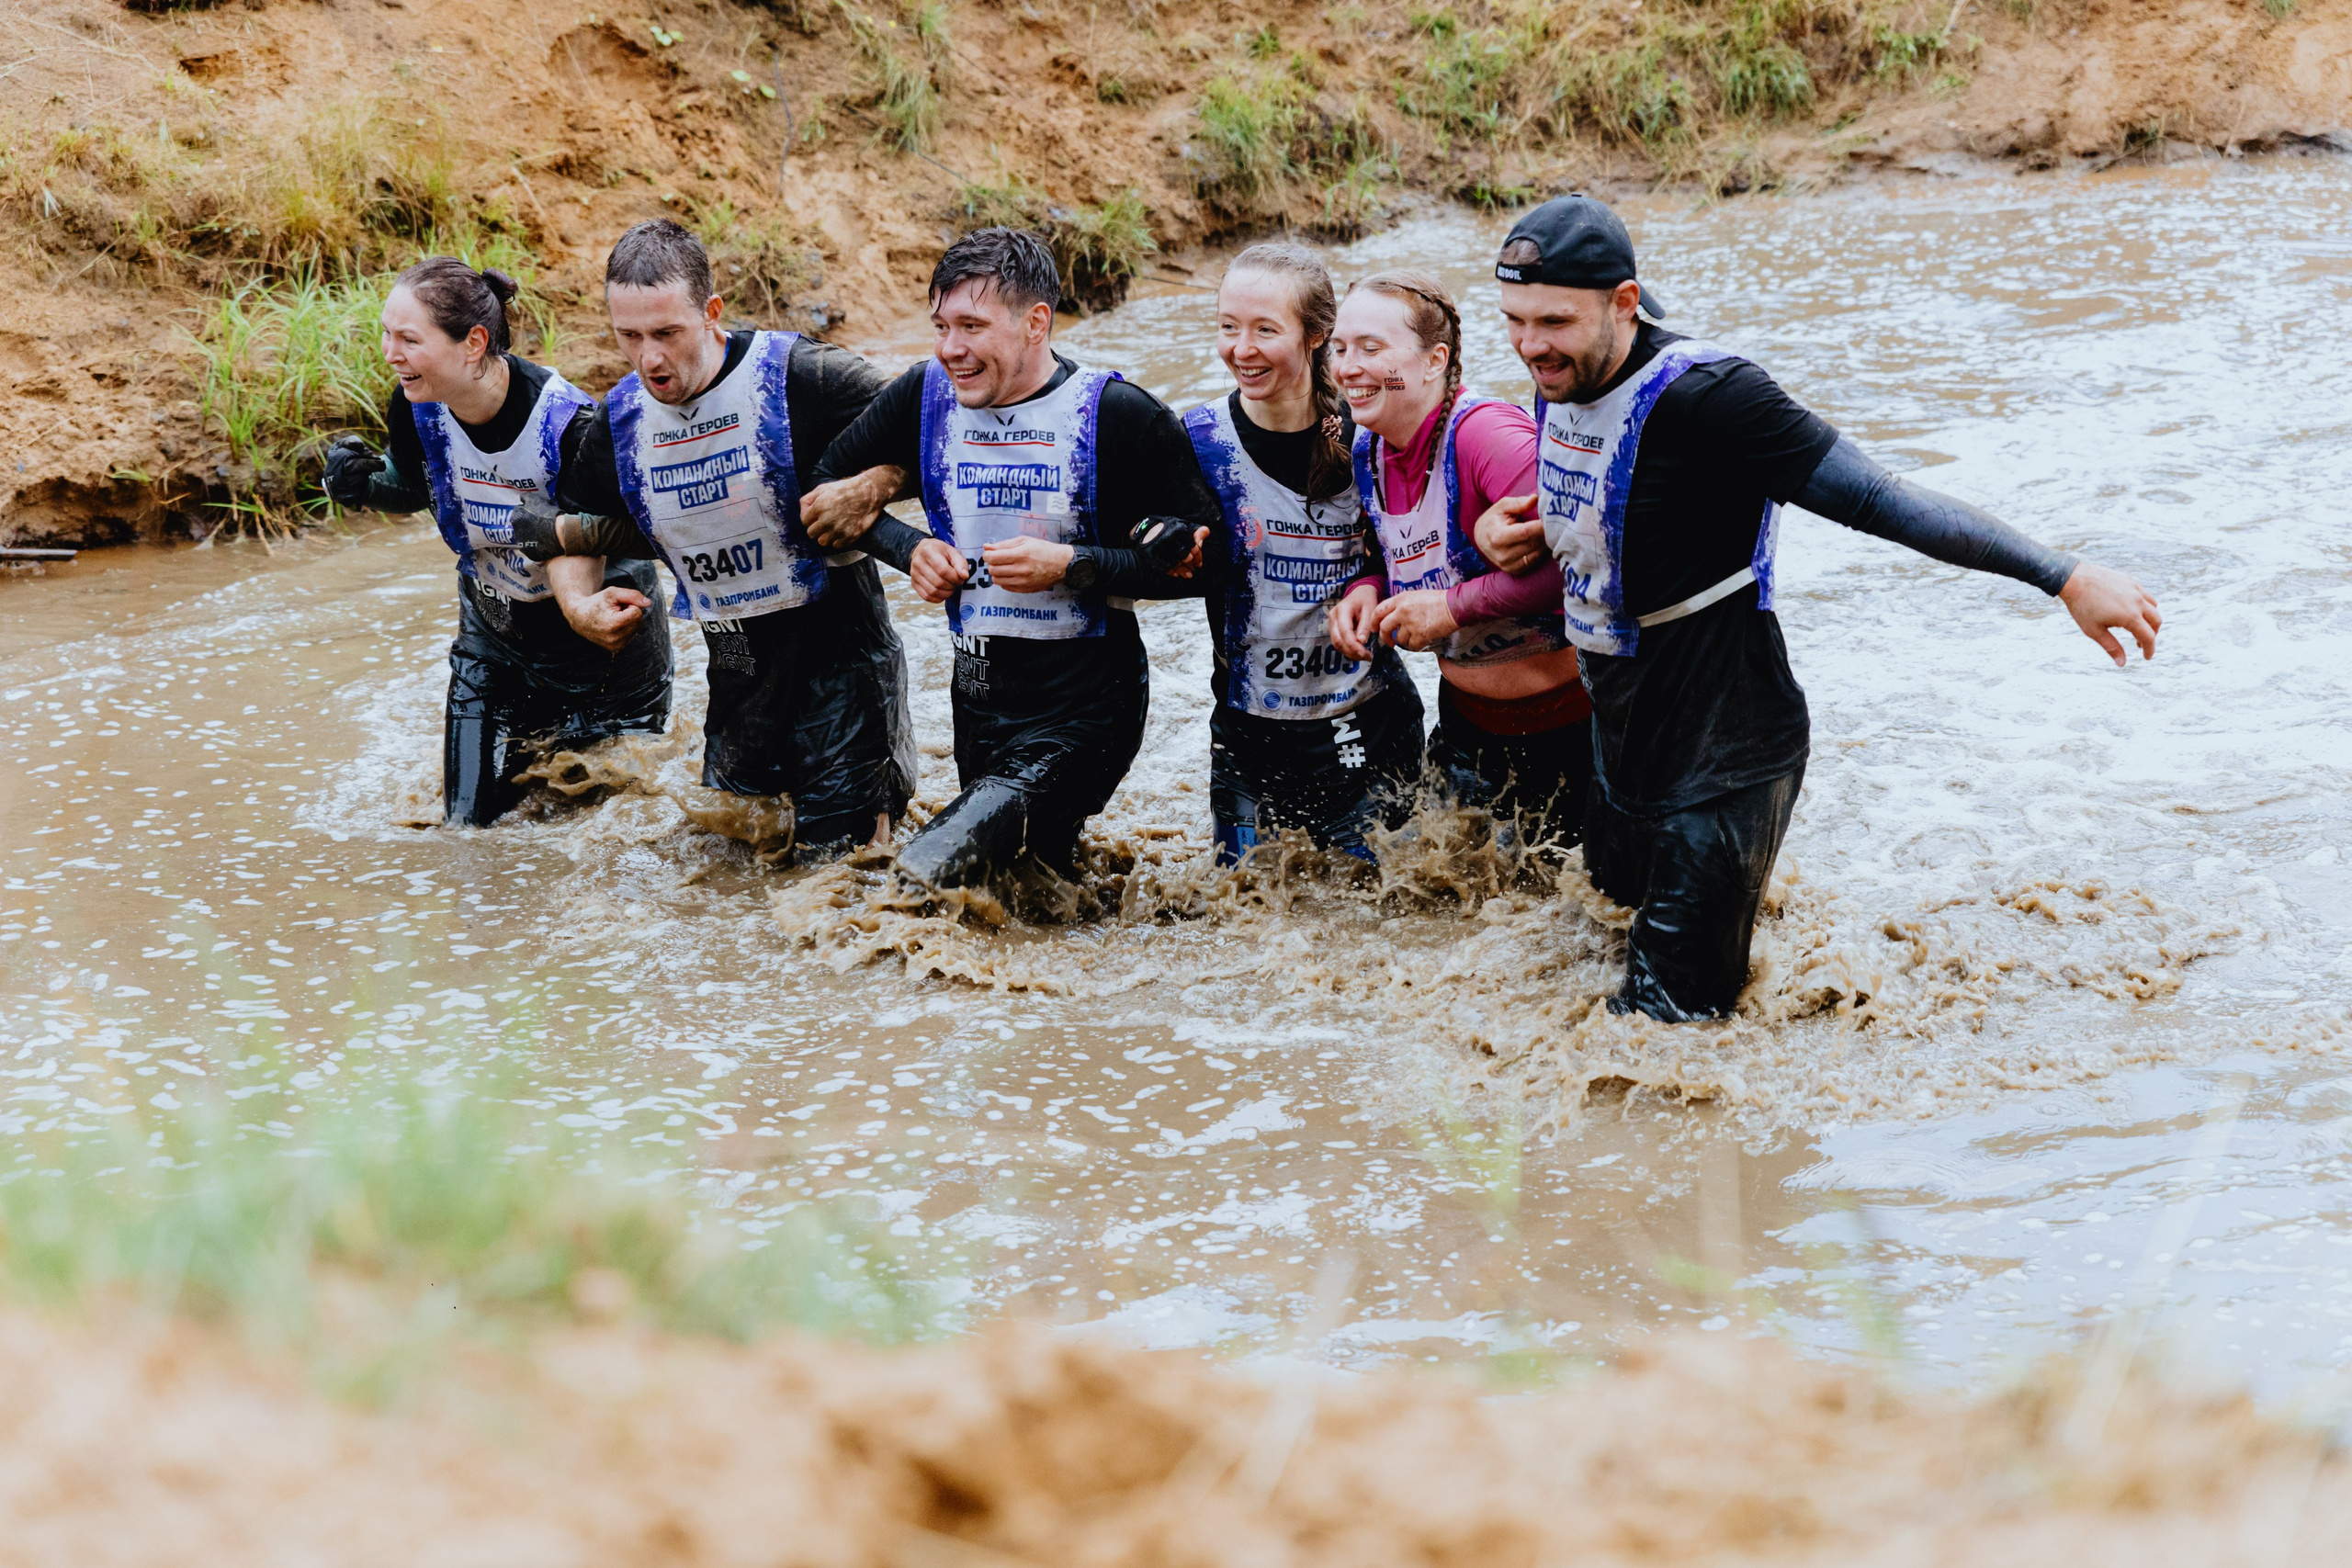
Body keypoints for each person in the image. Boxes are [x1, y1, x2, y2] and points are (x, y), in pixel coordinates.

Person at [1474, 193, 2164, 1022]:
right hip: (1623, 743)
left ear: (1625, 302)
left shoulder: (1717, 397)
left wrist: (2064, 577)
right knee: (1602, 931)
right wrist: (1522, 531)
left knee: (1666, 1033)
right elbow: (1620, 511)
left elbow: (1880, 497)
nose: (1529, 346)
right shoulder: (1565, 374)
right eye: (1514, 320)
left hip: (1724, 752)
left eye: (1552, 322)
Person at [800, 226, 1219, 892]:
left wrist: (1072, 565)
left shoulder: (1114, 413)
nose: (950, 350)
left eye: (971, 326)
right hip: (979, 701)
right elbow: (824, 489)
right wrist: (908, 549)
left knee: (924, 879)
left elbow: (1205, 561)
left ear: (1035, 323)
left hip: (1086, 708)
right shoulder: (924, 396)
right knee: (1020, 890)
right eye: (941, 326)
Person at [510, 219, 915, 856]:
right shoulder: (621, 421)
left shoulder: (801, 377)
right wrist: (578, 605)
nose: (649, 357)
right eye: (630, 336)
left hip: (843, 668)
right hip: (738, 675)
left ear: (711, 312)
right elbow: (571, 527)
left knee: (845, 878)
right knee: (732, 867)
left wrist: (873, 485)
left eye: (667, 333)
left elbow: (937, 429)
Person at [321, 256, 673, 829]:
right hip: (494, 634)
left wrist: (588, 610)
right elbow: (417, 486)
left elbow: (618, 531)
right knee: (468, 827)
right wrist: (361, 486)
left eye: (408, 338)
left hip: (603, 654)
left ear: (473, 342)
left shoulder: (572, 422)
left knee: (595, 836)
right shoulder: (415, 407)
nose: (390, 353)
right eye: (387, 334)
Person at [1324, 270, 1594, 852]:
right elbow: (1383, 550)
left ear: (1433, 360)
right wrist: (1367, 586)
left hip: (1576, 729)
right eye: (1340, 348)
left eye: (1372, 348)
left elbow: (1584, 561)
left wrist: (1451, 608)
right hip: (1469, 734)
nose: (1347, 366)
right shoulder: (1368, 446)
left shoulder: (1487, 437)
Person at [1181, 243, 1424, 864]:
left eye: (1265, 330)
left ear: (1317, 336)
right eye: (1228, 327)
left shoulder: (1375, 433)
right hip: (1245, 739)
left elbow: (1424, 555)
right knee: (1243, 913)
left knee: (1381, 915)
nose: (1241, 349)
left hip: (1361, 726)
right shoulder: (1196, 440)